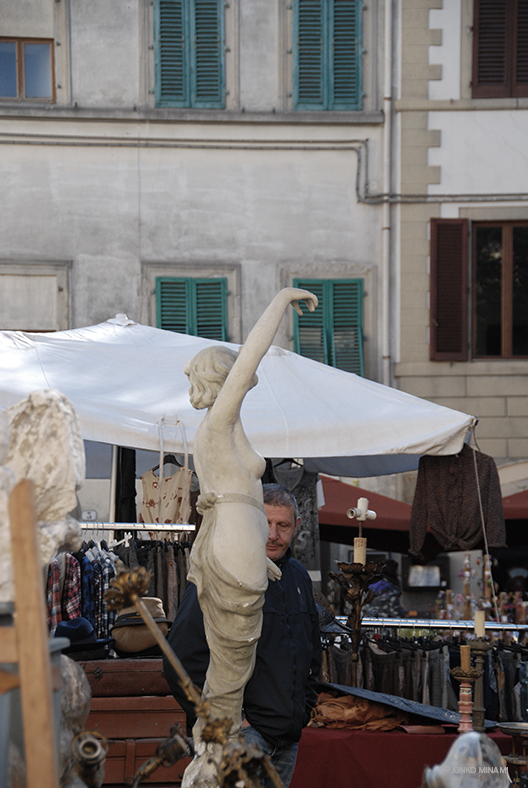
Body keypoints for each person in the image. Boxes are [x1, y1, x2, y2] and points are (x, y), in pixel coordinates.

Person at [163, 483, 322, 788]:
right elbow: (179, 660)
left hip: (286, 740)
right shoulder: (222, 573)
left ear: (297, 525)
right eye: (265, 523)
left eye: (283, 525)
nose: (273, 534)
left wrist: (303, 710)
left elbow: (311, 653)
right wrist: (228, 722)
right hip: (240, 737)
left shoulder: (299, 577)